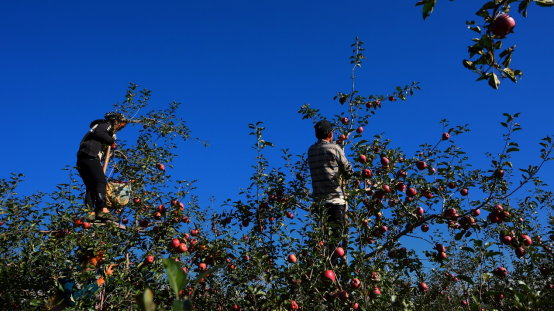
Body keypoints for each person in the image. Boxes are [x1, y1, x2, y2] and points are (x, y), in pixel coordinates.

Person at [307, 120, 354, 263]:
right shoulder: (334, 148)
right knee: (335, 244)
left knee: (325, 242)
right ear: (330, 134)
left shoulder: (311, 151)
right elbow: (349, 171)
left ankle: (327, 275)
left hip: (319, 203)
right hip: (335, 202)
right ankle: (333, 278)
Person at [76, 112, 127, 222]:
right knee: (100, 181)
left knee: (91, 186)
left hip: (82, 159)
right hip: (90, 156)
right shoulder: (105, 124)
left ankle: (90, 212)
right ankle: (102, 209)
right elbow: (100, 133)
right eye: (121, 125)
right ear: (115, 121)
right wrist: (111, 141)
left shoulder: (96, 131)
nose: (120, 128)